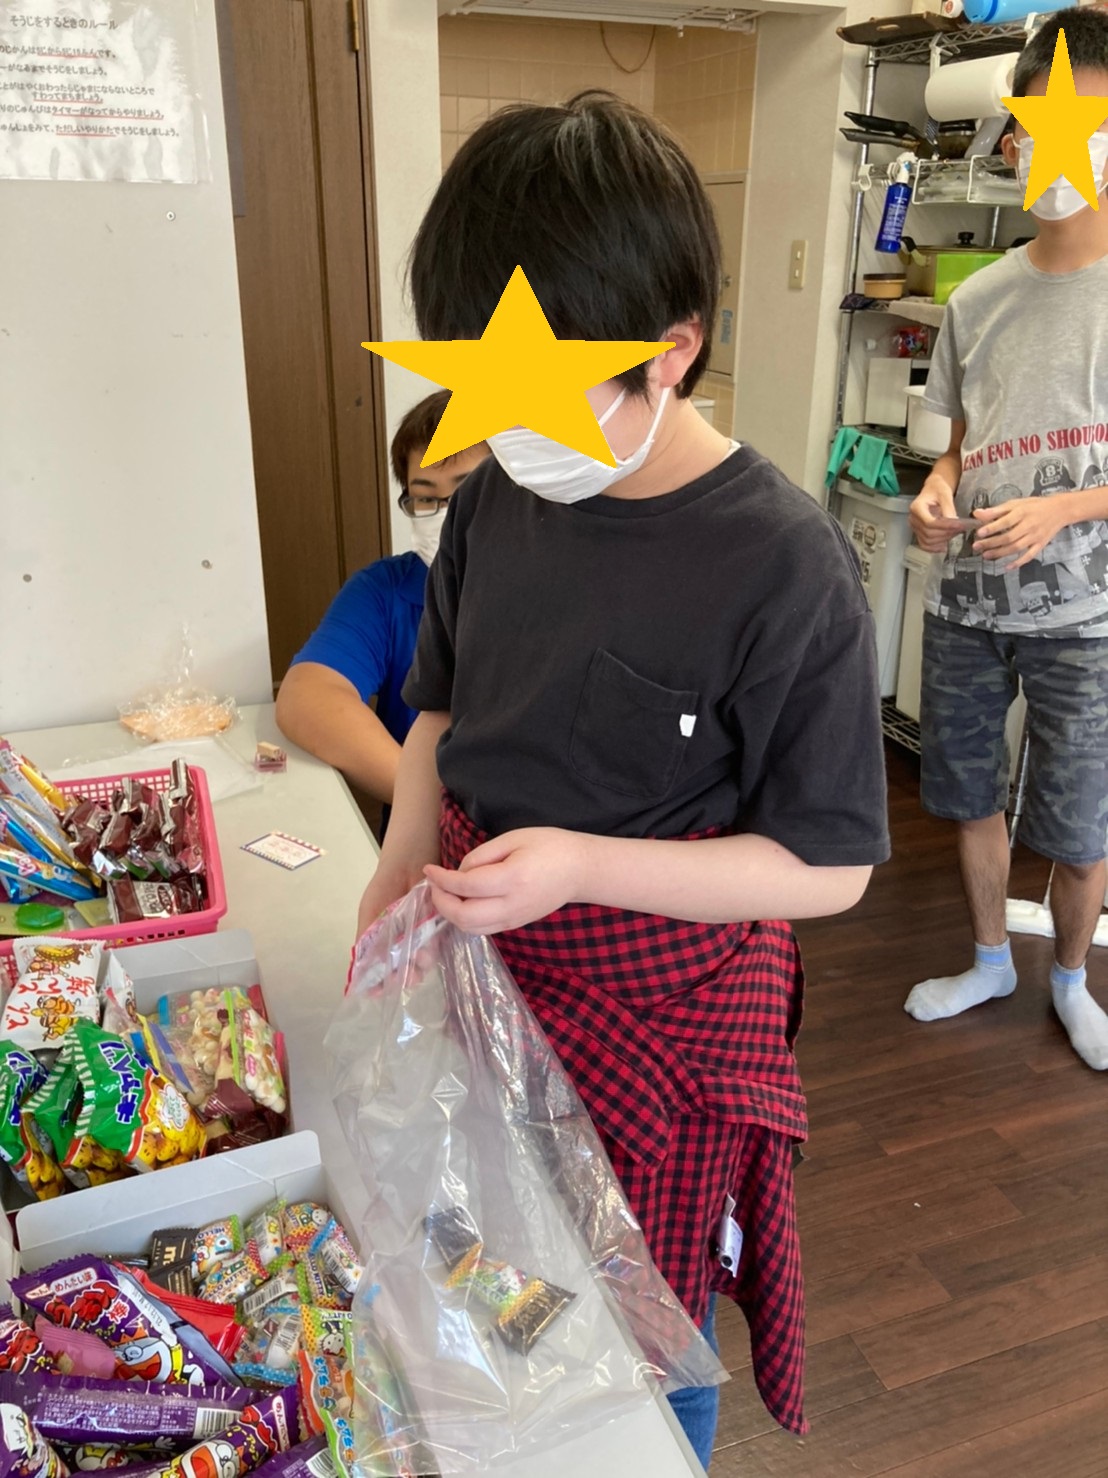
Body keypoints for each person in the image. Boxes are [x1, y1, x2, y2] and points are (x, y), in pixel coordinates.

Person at [356, 92, 890, 1466]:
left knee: (652, 1321)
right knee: (501, 1263)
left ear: (673, 349)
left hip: (659, 1016)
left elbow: (828, 863)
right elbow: (439, 708)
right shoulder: (498, 499)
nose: (502, 430)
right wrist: (397, 857)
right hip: (486, 963)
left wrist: (583, 865)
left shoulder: (783, 565)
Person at [904, 8, 1108, 1071]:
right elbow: (958, 448)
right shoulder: (978, 298)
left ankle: (1071, 981)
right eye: (1037, 123)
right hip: (968, 603)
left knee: (1079, 824)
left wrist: (1064, 509)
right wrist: (937, 493)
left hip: (1088, 619)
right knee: (966, 795)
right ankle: (989, 960)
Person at [275, 392, 487, 814]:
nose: (448, 514)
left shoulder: (567, 588)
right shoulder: (387, 591)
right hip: (422, 839)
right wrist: (436, 810)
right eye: (426, 497)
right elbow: (308, 696)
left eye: (468, 491)